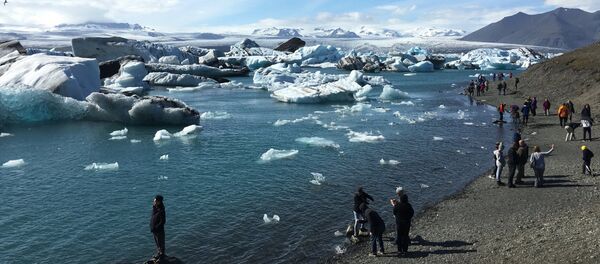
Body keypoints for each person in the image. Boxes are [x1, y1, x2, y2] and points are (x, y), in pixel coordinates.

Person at [391, 188, 414, 256]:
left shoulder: (397, 205)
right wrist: (408, 218)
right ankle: (405, 250)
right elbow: (412, 213)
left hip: (399, 223)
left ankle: (399, 250)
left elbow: (394, 212)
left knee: (399, 236)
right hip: (407, 223)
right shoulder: (408, 205)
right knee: (405, 236)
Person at [150, 195, 166, 260]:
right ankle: (159, 254)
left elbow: (163, 221)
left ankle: (162, 256)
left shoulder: (161, 210)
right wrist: (152, 227)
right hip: (154, 230)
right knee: (157, 244)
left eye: (155, 200)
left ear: (159, 201)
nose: (154, 201)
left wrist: (156, 228)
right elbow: (153, 217)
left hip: (159, 231)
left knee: (160, 243)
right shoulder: (155, 208)